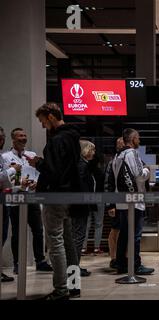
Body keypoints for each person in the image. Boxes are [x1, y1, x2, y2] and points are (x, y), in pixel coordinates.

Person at [27, 103, 80, 300]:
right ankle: (74, 286)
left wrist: (38, 163)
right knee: (69, 243)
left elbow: (53, 171)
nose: (42, 126)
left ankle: (61, 289)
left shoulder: (57, 140)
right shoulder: (74, 137)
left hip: (55, 197)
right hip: (70, 196)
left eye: (42, 121)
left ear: (50, 117)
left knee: (55, 243)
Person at [1, 128, 53, 275]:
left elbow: (38, 173)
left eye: (24, 136)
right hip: (16, 198)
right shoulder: (5, 157)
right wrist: (19, 184)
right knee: (17, 232)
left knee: (38, 230)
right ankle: (18, 263)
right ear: (13, 139)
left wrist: (36, 182)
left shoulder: (31, 155)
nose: (23, 138)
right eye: (20, 136)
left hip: (32, 196)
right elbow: (5, 178)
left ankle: (40, 261)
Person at [109, 128, 154, 275]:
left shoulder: (117, 156)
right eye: (138, 138)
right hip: (134, 200)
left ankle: (121, 264)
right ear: (132, 138)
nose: (139, 141)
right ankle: (135, 265)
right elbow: (139, 175)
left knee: (124, 234)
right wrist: (147, 170)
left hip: (121, 200)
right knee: (135, 235)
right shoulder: (132, 153)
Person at [70, 140, 96, 277]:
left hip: (81, 206)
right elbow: (82, 187)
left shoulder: (82, 165)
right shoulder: (82, 166)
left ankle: (75, 266)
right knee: (78, 237)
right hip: (80, 207)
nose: (94, 153)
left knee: (78, 236)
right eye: (92, 149)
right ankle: (74, 267)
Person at [0, 126, 21, 283]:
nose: (2, 140)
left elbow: (5, 181)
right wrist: (13, 170)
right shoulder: (5, 156)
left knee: (3, 235)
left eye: (3, 137)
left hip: (4, 199)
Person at [105, 137, 125, 269]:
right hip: (117, 202)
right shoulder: (113, 163)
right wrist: (110, 204)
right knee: (115, 231)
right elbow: (108, 184)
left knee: (123, 231)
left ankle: (122, 257)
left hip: (128, 203)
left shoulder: (129, 159)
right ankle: (113, 258)